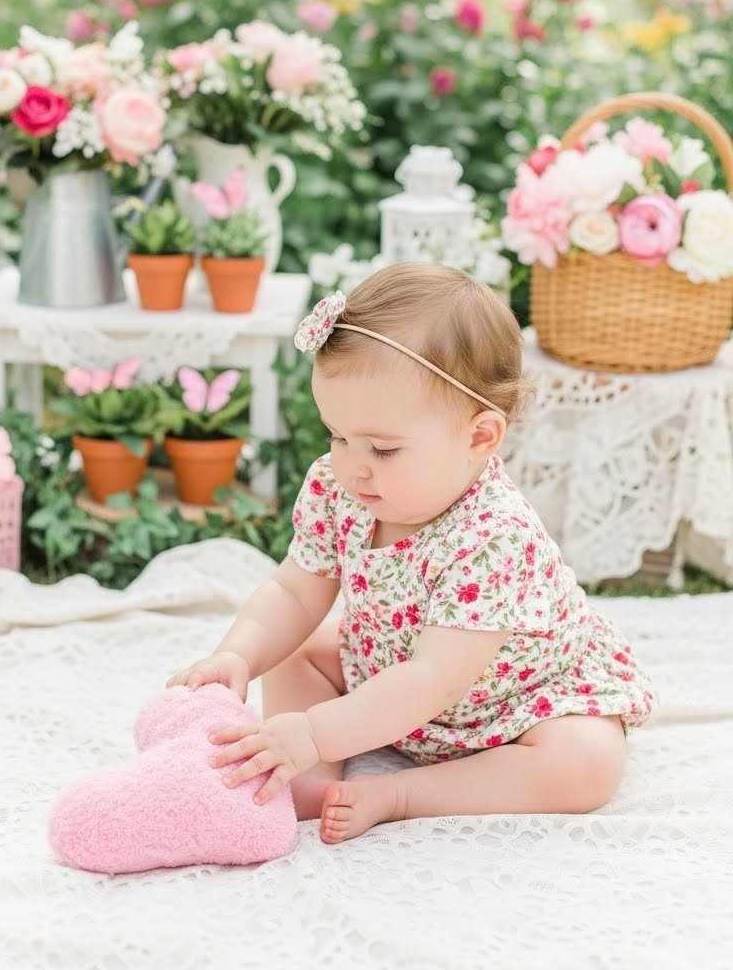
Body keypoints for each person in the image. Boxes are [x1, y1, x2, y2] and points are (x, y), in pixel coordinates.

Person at [166, 262, 656, 845]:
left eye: (383, 448)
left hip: (513, 701)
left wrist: (317, 731)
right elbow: (294, 591)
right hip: (386, 671)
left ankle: (400, 794)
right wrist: (238, 655)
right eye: (337, 435)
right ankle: (306, 780)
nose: (353, 465)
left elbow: (434, 678)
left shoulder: (493, 537)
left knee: (586, 764)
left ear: (479, 437)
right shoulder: (339, 488)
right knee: (296, 650)